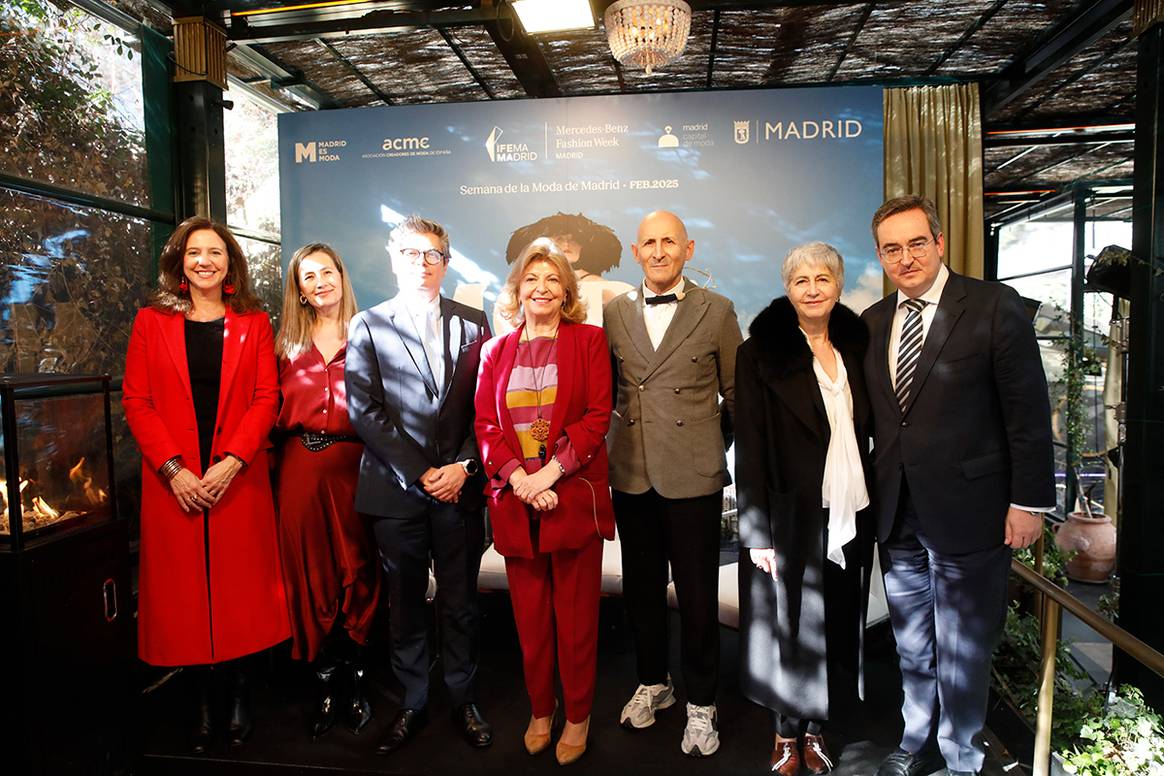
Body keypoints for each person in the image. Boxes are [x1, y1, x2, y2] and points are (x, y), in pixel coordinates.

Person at [863, 196, 1054, 776]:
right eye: (892, 248)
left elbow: (1027, 412)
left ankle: (962, 756)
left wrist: (1027, 503)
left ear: (940, 243)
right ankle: (915, 737)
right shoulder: (871, 323)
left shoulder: (995, 306)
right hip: (897, 514)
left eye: (916, 243)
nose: (906, 257)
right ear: (880, 255)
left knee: (964, 649)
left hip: (973, 511)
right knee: (912, 644)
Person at [122, 216, 289, 754]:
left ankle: (240, 695)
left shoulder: (255, 322)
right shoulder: (150, 323)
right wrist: (174, 469)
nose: (205, 261)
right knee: (184, 599)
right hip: (175, 483)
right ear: (180, 263)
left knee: (241, 593)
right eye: (195, 252)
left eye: (215, 252)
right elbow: (137, 401)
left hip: (235, 481)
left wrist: (233, 460)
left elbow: (268, 398)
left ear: (230, 263)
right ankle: (199, 702)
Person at [345, 215, 493, 756]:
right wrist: (422, 472)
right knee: (405, 603)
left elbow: (489, 407)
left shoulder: (475, 322)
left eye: (432, 254)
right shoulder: (367, 324)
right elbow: (365, 410)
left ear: (446, 262)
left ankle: (462, 697)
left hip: (461, 488)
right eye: (412, 253)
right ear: (394, 258)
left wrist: (463, 468)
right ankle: (412, 699)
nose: (423, 263)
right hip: (395, 491)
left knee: (460, 604)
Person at [603, 210, 742, 757]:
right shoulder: (613, 313)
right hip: (632, 475)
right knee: (640, 592)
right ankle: (653, 683)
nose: (659, 251)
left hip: (694, 476)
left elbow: (736, 395)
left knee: (698, 596)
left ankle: (701, 704)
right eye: (649, 243)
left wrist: (706, 445)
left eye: (669, 242)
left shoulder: (718, 310)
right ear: (635, 253)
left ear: (688, 248)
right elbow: (605, 394)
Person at [735, 243, 875, 776]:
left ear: (838, 286)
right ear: (787, 288)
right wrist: (757, 533)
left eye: (823, 278)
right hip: (787, 513)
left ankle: (815, 731)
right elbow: (747, 444)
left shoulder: (857, 348)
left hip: (850, 508)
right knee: (787, 625)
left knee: (832, 621)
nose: (813, 288)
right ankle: (784, 734)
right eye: (801, 281)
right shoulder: (759, 354)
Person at [474, 237, 614, 766]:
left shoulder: (589, 342)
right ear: (516, 289)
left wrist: (550, 473)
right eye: (531, 279)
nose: (541, 287)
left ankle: (577, 718)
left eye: (553, 279)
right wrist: (519, 479)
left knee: (576, 623)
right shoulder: (496, 350)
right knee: (530, 622)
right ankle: (540, 710)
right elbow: (486, 425)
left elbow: (597, 417)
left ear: (567, 291)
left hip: (571, 498)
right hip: (517, 504)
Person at [273, 243, 382, 738]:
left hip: (358, 468)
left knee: (358, 572)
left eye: (327, 271)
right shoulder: (283, 346)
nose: (320, 282)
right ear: (299, 289)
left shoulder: (374, 335)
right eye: (308, 276)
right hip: (300, 472)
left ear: (342, 275)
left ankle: (357, 680)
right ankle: (324, 685)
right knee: (311, 575)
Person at [494, 212, 633, 332]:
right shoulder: (514, 294)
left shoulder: (605, 288)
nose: (566, 245)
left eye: (574, 240)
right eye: (560, 239)